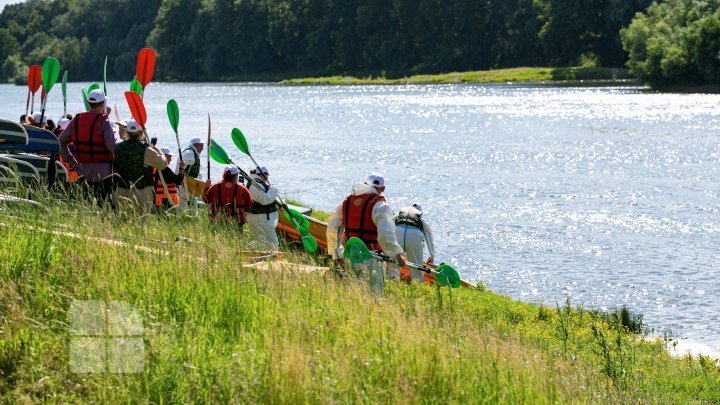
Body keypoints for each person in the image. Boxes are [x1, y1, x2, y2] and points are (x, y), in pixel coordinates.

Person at [327, 173, 405, 294]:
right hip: (373, 257)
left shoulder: (346, 202)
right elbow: (386, 235)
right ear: (382, 189)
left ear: (365, 183)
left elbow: (332, 226)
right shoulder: (381, 205)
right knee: (374, 294)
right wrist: (397, 255)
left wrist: (337, 254)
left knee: (355, 293)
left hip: (352, 255)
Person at [58, 89, 116, 207]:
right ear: (103, 104)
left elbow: (60, 142)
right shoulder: (104, 121)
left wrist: (72, 162)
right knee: (106, 208)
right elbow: (113, 148)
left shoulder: (77, 119)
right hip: (104, 174)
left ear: (89, 103)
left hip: (82, 171)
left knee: (85, 207)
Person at [112, 119, 168, 215]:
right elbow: (163, 164)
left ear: (127, 132)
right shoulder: (147, 150)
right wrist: (158, 150)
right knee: (141, 224)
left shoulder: (117, 147)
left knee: (122, 224)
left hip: (121, 190)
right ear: (141, 132)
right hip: (142, 191)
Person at [393, 203, 436, 283]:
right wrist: (431, 255)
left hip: (398, 232)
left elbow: (390, 223)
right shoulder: (420, 219)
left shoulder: (399, 214)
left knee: (394, 263)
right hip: (414, 235)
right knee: (416, 267)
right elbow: (428, 236)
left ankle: (392, 284)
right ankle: (418, 288)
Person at [203, 166, 253, 231]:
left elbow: (205, 200)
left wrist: (207, 187)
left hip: (217, 220)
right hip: (236, 221)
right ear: (236, 175)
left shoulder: (214, 186)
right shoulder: (242, 188)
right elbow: (250, 204)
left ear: (224, 175)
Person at [245, 166, 280, 249]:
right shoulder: (254, 185)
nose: (267, 178)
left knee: (262, 242)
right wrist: (274, 189)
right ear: (262, 175)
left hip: (261, 218)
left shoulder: (257, 183)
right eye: (267, 175)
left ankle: (261, 258)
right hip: (262, 219)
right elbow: (265, 200)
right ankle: (271, 259)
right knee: (273, 243)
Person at [179, 137, 205, 215]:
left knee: (193, 209)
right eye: (201, 145)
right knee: (183, 209)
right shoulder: (189, 152)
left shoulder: (194, 153)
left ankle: (192, 224)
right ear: (196, 145)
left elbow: (197, 173)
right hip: (185, 185)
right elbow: (182, 165)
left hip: (191, 186)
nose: (203, 148)